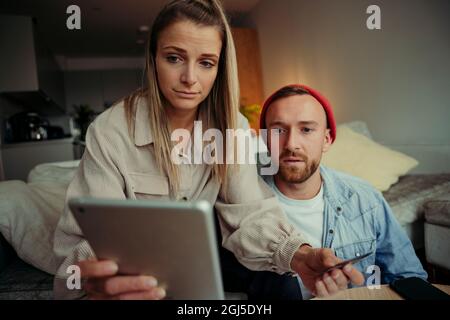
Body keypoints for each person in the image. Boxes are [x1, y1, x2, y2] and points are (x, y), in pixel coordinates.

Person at [53, 0, 363, 300]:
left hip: (208, 251)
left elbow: (249, 212)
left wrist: (299, 255)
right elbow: (89, 242)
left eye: (206, 63)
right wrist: (102, 279)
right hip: (140, 267)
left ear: (219, 68)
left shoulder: (233, 127)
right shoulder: (109, 131)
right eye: (174, 58)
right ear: (153, 58)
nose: (190, 78)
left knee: (280, 279)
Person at [258, 84, 428, 299]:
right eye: (278, 131)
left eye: (307, 129)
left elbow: (409, 277)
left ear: (327, 140)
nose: (292, 144)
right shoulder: (240, 202)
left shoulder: (365, 199)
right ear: (264, 139)